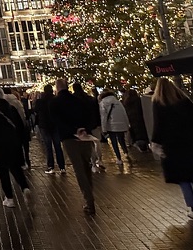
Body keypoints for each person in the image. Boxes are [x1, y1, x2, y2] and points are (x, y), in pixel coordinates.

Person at [151, 77, 193, 221]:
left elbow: (158, 125)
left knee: (183, 178)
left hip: (172, 145)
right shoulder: (183, 99)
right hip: (191, 141)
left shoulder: (158, 102)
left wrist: (155, 141)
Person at [52, 77, 98, 216]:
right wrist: (84, 128)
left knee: (79, 170)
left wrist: (73, 130)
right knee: (86, 166)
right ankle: (89, 196)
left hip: (69, 138)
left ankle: (89, 201)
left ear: (57, 87)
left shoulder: (55, 103)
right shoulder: (79, 100)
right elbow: (91, 116)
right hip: (85, 136)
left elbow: (57, 121)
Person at [34, 84, 65, 174]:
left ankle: (50, 166)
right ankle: (62, 166)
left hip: (44, 125)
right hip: (54, 124)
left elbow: (35, 110)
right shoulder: (55, 99)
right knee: (57, 146)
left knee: (48, 146)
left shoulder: (40, 101)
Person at [99, 89, 130, 166]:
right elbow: (124, 113)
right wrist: (127, 124)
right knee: (121, 139)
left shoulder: (103, 103)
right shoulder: (118, 102)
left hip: (111, 125)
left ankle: (119, 158)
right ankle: (126, 152)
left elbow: (103, 117)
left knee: (114, 142)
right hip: (121, 124)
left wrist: (104, 128)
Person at [122, 87, 149, 152]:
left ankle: (141, 145)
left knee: (136, 133)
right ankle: (145, 145)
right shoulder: (139, 100)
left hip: (131, 121)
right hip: (141, 119)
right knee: (142, 132)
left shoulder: (126, 102)